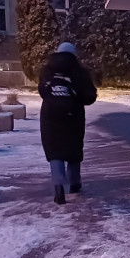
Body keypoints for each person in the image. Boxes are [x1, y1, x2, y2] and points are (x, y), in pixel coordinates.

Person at [38, 42, 97, 205]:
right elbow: (89, 97)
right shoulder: (79, 72)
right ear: (74, 54)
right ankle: (75, 184)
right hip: (73, 116)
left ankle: (58, 189)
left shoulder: (47, 70)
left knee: (55, 151)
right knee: (73, 149)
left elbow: (42, 91)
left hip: (50, 116)